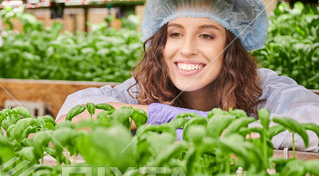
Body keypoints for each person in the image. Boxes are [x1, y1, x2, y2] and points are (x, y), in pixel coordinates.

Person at [56, 0, 319, 152]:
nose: (187, 49)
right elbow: (73, 114)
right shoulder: (146, 87)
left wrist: (196, 126)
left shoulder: (265, 89)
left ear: (232, 48)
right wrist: (158, 114)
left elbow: (311, 127)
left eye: (206, 35)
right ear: (162, 43)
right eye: (175, 34)